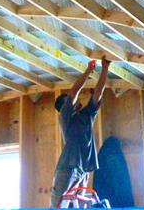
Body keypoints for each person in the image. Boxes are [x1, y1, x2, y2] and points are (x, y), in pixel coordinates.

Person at [49, 56, 111, 208]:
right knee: (56, 207)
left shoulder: (87, 115)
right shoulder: (65, 117)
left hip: (83, 170)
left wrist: (105, 68)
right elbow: (74, 92)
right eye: (70, 102)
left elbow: (99, 92)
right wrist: (89, 70)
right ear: (65, 107)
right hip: (67, 169)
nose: (75, 102)